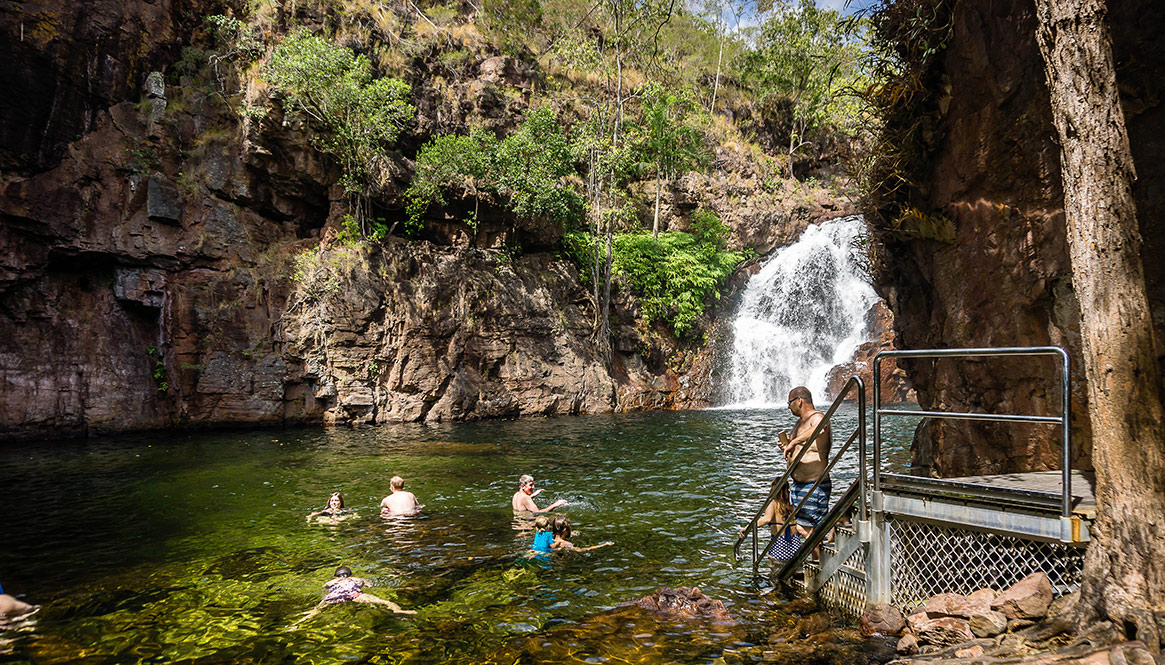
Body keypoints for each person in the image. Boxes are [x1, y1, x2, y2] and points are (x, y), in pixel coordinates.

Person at [290, 566, 416, 628]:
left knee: (316, 610)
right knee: (385, 602)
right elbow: (370, 585)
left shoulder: (331, 582)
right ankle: (398, 611)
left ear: (335, 577)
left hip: (334, 596)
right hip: (354, 594)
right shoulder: (357, 578)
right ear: (350, 574)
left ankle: (297, 624)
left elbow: (324, 588)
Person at [780, 387, 832, 535]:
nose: (788, 407)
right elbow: (802, 449)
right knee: (804, 529)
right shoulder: (800, 423)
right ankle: (816, 558)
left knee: (809, 531)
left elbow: (821, 427)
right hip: (799, 486)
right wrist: (788, 444)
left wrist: (794, 442)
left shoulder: (816, 417)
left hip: (814, 485)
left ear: (799, 401)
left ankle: (818, 559)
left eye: (789, 403)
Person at [748, 485, 809, 563]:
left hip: (780, 540)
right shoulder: (791, 503)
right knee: (794, 566)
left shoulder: (773, 503)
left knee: (775, 566)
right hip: (794, 540)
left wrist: (748, 527)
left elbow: (767, 519)